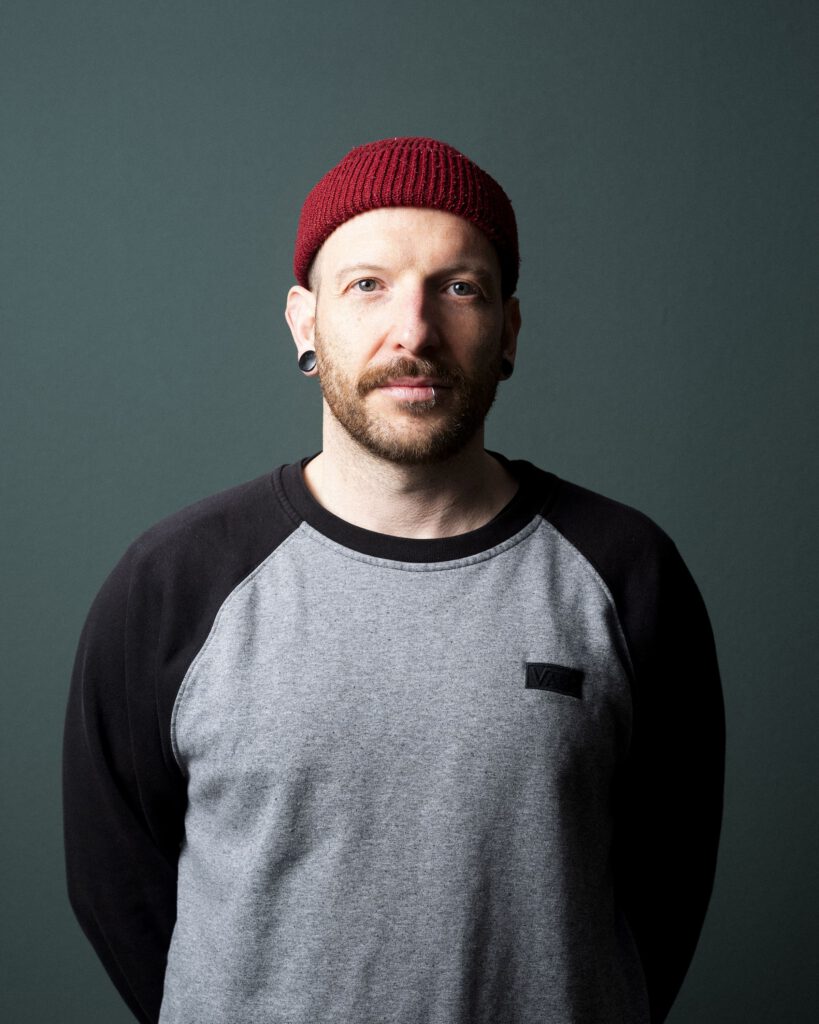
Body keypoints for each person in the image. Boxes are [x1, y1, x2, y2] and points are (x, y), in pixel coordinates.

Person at [63, 136, 725, 1024]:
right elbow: (118, 888)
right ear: (304, 321)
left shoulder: (623, 571)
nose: (412, 332)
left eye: (458, 288)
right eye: (367, 285)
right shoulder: (175, 582)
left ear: (508, 332)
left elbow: (666, 887)